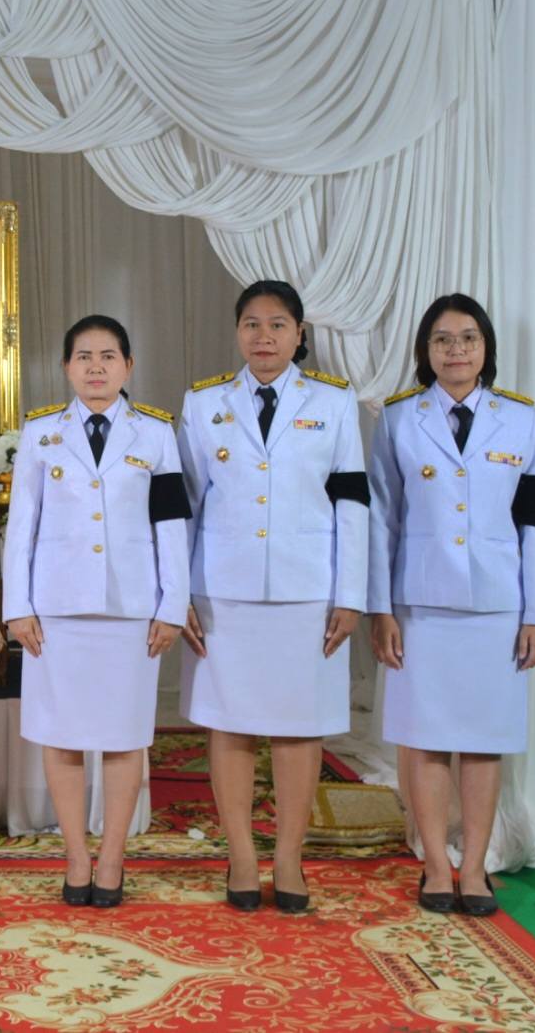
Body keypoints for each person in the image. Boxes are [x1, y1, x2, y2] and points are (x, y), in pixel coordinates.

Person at [177, 282, 367, 914]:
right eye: (253, 325)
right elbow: (184, 508)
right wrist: (177, 594)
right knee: (229, 725)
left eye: (278, 325)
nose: (264, 337)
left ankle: (288, 857)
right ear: (238, 332)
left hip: (307, 588)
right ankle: (239, 855)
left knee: (298, 727)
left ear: (300, 334)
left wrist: (352, 593)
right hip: (223, 591)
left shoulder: (335, 404)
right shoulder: (204, 403)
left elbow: (354, 504)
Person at [367, 293, 535, 917]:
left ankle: (474, 867)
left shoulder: (522, 421)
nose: (456, 350)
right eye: (443, 339)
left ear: (486, 349)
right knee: (423, 739)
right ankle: (434, 865)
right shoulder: (397, 418)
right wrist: (380, 607)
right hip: (419, 602)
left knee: (481, 740)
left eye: (468, 339)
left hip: (498, 603)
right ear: (426, 350)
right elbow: (381, 520)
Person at [2, 315, 191, 908]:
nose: (95, 367)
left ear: (128, 366)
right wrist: (18, 606)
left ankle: (112, 857)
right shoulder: (41, 433)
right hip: (56, 609)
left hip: (131, 608)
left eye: (108, 356)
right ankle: (75, 857)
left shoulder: (156, 434)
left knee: (122, 738)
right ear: (65, 367)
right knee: (61, 737)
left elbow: (172, 525)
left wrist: (174, 605)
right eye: (83, 356)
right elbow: (22, 527)